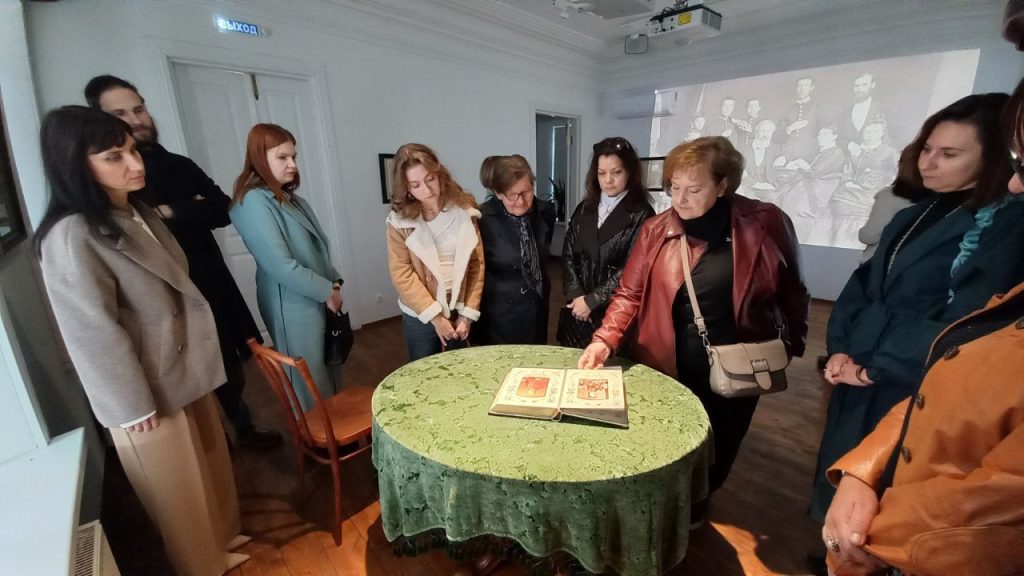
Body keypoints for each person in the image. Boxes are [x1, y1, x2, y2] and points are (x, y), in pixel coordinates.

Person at [821, 76, 1024, 576]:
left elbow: (967, 321)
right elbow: (862, 284)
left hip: (911, 375)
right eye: (927, 149)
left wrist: (875, 368)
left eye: (949, 154)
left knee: (890, 488)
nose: (928, 163)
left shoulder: (1004, 223)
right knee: (843, 466)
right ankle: (831, 542)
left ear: (993, 158)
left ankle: (859, 552)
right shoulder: (913, 214)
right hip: (860, 361)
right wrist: (841, 347)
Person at [35, 106, 249, 576]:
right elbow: (91, 332)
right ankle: (202, 564)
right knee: (175, 491)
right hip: (145, 386)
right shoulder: (71, 235)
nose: (135, 164)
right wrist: (130, 406)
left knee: (209, 466)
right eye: (114, 156)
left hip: (183, 364)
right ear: (75, 164)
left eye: (132, 150)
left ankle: (223, 540)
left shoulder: (136, 210)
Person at [578, 136, 809, 505]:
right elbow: (629, 294)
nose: (680, 199)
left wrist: (793, 341)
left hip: (737, 366)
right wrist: (604, 338)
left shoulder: (765, 223)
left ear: (722, 185)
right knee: (667, 442)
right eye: (674, 187)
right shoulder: (656, 230)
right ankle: (666, 505)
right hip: (669, 363)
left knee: (720, 444)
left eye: (694, 189)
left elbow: (793, 289)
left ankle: (700, 502)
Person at [84, 74, 281, 449]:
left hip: (208, 280)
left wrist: (167, 210)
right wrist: (190, 208)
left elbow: (221, 208)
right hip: (162, 298)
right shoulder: (105, 185)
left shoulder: (178, 164)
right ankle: (213, 441)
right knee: (187, 379)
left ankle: (242, 428)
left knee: (229, 365)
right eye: (121, 114)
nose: (136, 119)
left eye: (139, 109)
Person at [230, 123, 342, 411]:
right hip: (291, 302)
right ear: (259, 157)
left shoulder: (290, 197)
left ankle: (334, 422)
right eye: (282, 157)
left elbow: (318, 249)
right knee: (306, 378)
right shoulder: (252, 201)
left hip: (314, 294)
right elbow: (281, 266)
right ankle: (318, 430)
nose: (292, 164)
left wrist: (335, 283)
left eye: (293, 156)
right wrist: (327, 291)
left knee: (325, 367)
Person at [386, 143, 484, 360]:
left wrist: (467, 315)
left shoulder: (464, 210)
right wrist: (436, 318)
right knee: (424, 373)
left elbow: (477, 265)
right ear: (406, 188)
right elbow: (402, 274)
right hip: (420, 314)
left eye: (430, 179)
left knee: (461, 371)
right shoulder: (399, 222)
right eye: (416, 185)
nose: (427, 190)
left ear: (440, 174)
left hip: (459, 308)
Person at [557, 137, 655, 348]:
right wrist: (577, 295)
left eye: (616, 172)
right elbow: (568, 254)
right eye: (602, 173)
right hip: (578, 309)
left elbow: (631, 270)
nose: (608, 180)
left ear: (630, 172)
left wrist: (592, 301)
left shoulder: (642, 213)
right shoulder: (585, 207)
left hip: (612, 311)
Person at [475, 154, 556, 345]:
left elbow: (542, 253)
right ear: (498, 193)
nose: (521, 201)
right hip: (500, 314)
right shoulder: (482, 219)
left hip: (537, 308)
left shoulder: (545, 211)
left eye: (526, 192)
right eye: (512, 195)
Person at [831, 117, 899, 248]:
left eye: (875, 131)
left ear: (882, 133)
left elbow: (898, 172)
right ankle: (839, 244)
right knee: (840, 203)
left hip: (875, 192)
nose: (871, 135)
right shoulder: (856, 151)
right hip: (851, 190)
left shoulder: (890, 152)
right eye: (868, 131)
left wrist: (885, 187)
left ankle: (856, 245)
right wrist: (848, 182)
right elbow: (848, 171)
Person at [855, 147, 930, 262]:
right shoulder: (941, 198)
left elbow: (869, 236)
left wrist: (861, 233)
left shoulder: (890, 196)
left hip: (881, 265)